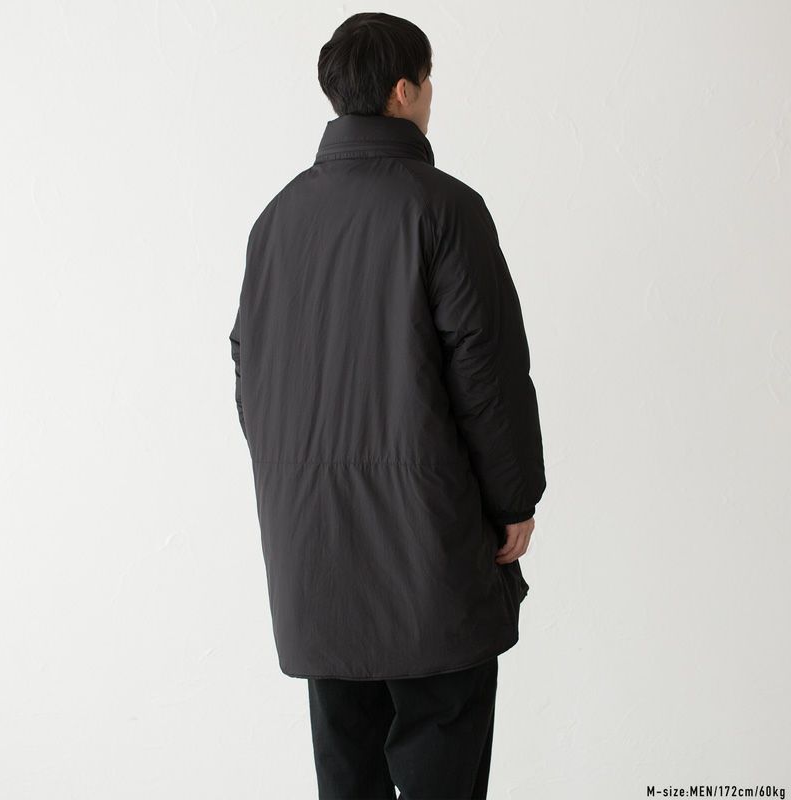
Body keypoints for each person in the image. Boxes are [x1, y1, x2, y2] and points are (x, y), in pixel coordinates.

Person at [228, 12, 546, 799]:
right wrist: (513, 499)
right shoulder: (445, 209)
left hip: (315, 554)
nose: (432, 96)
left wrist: (295, 486)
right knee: (443, 750)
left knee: (347, 767)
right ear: (403, 91)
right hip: (427, 549)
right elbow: (487, 372)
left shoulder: (277, 220)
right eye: (428, 81)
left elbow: (250, 374)